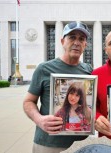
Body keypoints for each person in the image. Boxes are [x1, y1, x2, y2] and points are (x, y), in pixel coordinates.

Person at [23, 21, 92, 153]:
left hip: (81, 144)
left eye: (81, 39)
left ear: (85, 44)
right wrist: (40, 120)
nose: (76, 42)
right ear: (62, 41)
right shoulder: (44, 69)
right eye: (72, 37)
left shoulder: (88, 70)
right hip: (48, 144)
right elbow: (28, 102)